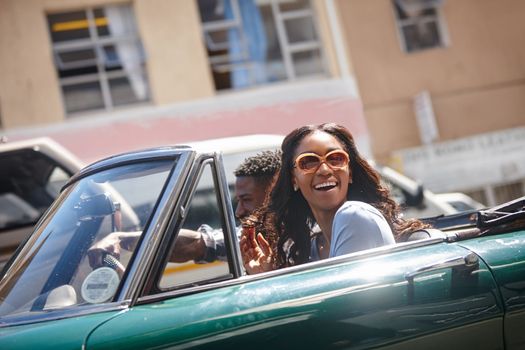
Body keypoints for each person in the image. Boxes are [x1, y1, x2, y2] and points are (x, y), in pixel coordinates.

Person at [240, 123, 429, 274]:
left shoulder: (355, 215)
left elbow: (343, 307)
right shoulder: (309, 248)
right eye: (308, 162)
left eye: (336, 159)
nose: (324, 170)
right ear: (293, 179)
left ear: (350, 172)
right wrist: (267, 275)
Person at [88, 149, 281, 267]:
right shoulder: (250, 238)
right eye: (238, 201)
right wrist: (120, 238)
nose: (238, 211)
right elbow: (197, 244)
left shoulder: (310, 235)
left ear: (275, 194)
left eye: (246, 199)